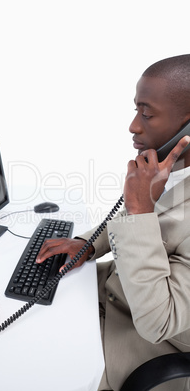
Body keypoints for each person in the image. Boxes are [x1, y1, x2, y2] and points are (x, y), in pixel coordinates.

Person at [36, 54, 190, 390]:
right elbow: (141, 226)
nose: (134, 126)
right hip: (111, 296)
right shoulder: (172, 172)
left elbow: (158, 322)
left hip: (143, 343)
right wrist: (88, 244)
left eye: (147, 114)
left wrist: (140, 210)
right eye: (136, 110)